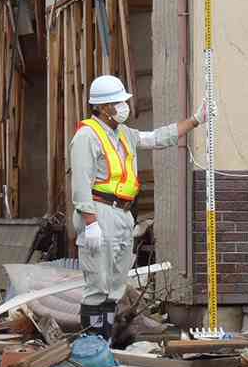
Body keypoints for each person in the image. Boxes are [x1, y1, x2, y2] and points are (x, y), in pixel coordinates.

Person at [70, 75, 212, 341]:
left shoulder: (123, 134)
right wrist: (90, 223)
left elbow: (158, 137)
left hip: (123, 214)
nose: (124, 106)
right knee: (97, 285)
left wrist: (195, 120)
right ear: (102, 107)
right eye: (117, 102)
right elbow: (80, 183)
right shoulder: (87, 136)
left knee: (114, 285)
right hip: (100, 212)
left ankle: (106, 343)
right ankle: (93, 346)